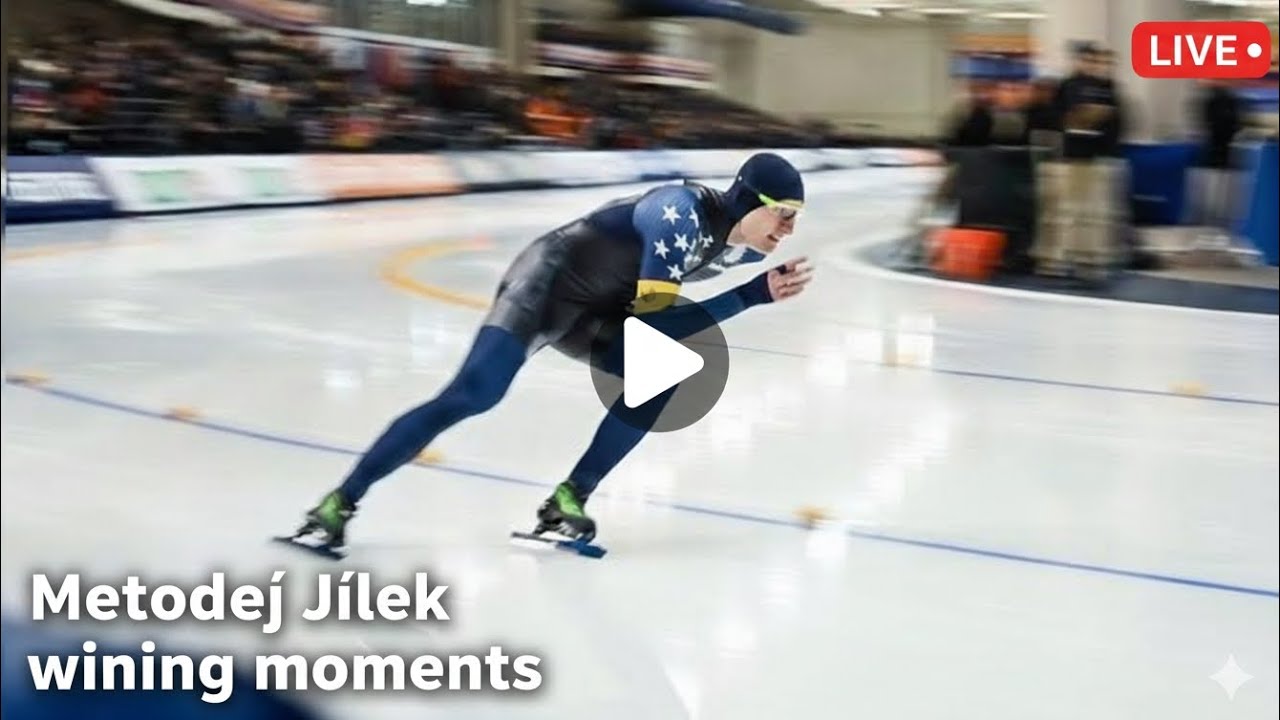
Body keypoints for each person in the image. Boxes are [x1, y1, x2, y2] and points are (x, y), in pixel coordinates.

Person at [286, 153, 814, 554]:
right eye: (783, 215)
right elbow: (658, 323)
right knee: (476, 393)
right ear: (749, 202)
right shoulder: (679, 216)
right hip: (546, 285)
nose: (788, 231)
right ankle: (338, 502)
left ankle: (568, 499)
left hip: (600, 305)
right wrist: (750, 297)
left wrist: (749, 289)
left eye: (795, 220)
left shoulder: (738, 247)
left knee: (662, 378)